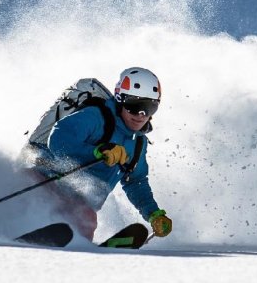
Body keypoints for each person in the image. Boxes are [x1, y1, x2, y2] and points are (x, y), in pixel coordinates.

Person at [25, 67, 172, 242]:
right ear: (120, 100)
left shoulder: (137, 144)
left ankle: (75, 252)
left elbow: (135, 181)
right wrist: (97, 151)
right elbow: (59, 138)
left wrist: (153, 214)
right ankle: (4, 229)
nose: (141, 115)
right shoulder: (96, 117)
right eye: (135, 106)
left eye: (149, 108)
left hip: (76, 203)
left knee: (86, 219)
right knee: (83, 217)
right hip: (42, 181)